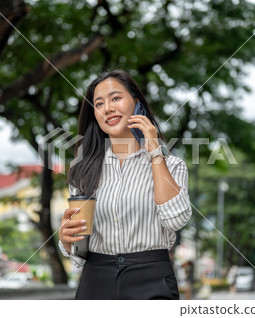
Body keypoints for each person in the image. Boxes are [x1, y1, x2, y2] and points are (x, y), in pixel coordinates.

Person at [58, 69, 192, 299]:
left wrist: (154, 152)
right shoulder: (83, 170)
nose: (107, 108)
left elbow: (175, 219)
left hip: (152, 279)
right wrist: (66, 240)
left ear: (137, 104)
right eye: (98, 104)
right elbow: (80, 249)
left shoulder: (172, 166)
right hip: (95, 282)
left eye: (116, 98)